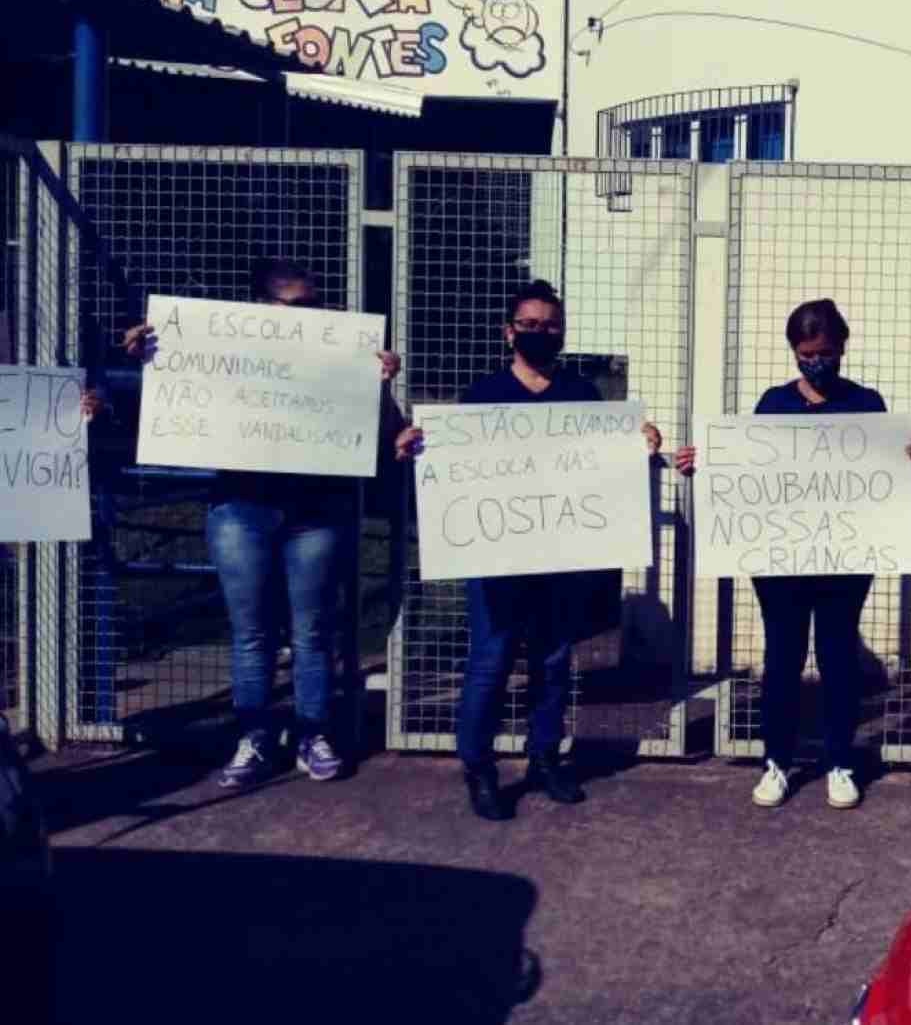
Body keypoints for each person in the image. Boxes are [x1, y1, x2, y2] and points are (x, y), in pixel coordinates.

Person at [122, 258, 405, 788]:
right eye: (296, 306)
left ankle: (311, 735)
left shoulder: (339, 355)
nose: (311, 316)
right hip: (241, 508)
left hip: (317, 511)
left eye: (316, 305)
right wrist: (153, 362)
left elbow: (386, 432)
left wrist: (380, 381)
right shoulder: (226, 351)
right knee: (251, 634)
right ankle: (253, 738)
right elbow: (172, 409)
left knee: (311, 632)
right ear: (261, 308)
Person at [395, 279, 662, 823]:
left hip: (559, 556)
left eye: (551, 325)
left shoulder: (582, 395)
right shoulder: (483, 395)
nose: (542, 333)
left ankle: (544, 757)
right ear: (509, 331)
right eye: (531, 324)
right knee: (491, 662)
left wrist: (641, 443)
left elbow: (603, 462)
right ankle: (480, 767)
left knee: (554, 661)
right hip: (496, 560)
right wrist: (417, 446)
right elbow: (452, 464)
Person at [676, 298, 911, 811]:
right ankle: (777, 761)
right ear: (794, 351)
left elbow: (884, 476)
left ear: (842, 348)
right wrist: (707, 463)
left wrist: (909, 459)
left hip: (844, 557)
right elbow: (749, 471)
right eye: (808, 352)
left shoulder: (866, 404)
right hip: (780, 559)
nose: (817, 361)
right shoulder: (773, 403)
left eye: (826, 351)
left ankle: (839, 761)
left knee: (837, 659)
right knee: (783, 658)